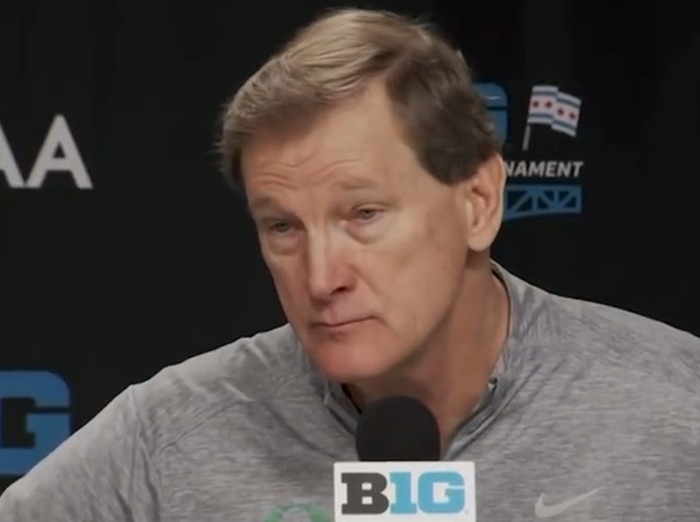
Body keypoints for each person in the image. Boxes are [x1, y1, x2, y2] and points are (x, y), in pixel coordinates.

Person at [2, 7, 699, 522]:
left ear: (479, 202)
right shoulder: (169, 436)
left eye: (363, 215)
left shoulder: (676, 408)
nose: (320, 277)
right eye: (283, 227)